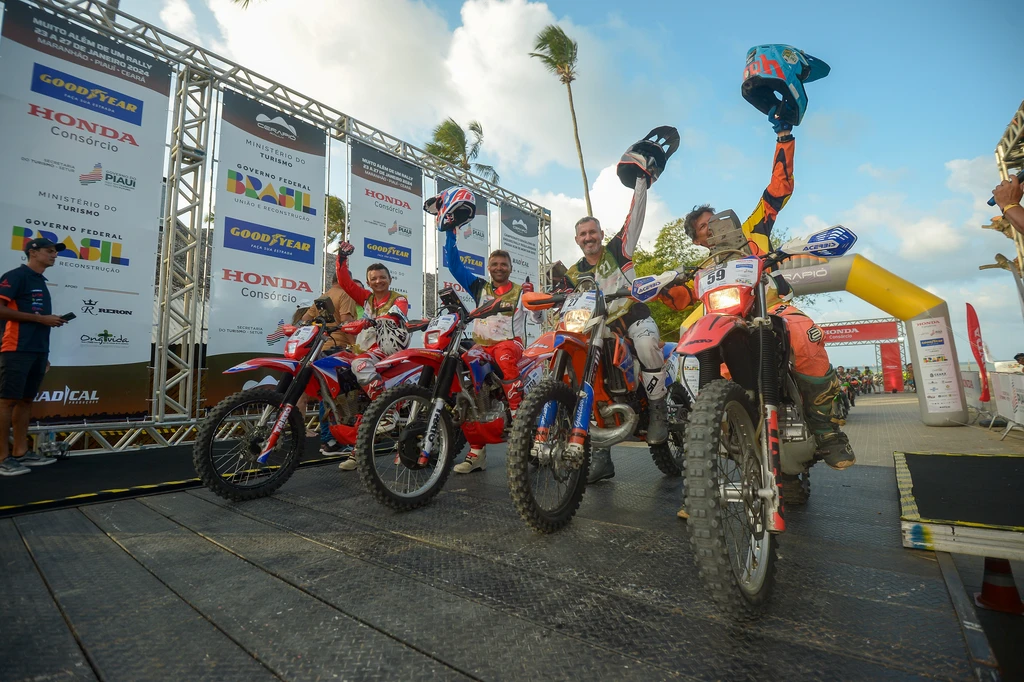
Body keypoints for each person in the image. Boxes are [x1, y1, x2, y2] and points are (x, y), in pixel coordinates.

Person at [665, 109, 856, 478]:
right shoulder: (700, 271)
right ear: (697, 240)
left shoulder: (754, 231)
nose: (712, 229)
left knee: (805, 335)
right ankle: (704, 469)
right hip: (721, 323)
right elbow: (681, 300)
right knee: (686, 361)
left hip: (770, 308)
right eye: (704, 229)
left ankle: (826, 431)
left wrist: (784, 134)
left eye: (714, 221)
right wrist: (655, 290)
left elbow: (777, 191)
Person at [566, 128, 679, 484]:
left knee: (647, 344)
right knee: (586, 377)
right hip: (597, 329)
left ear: (601, 234)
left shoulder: (619, 249)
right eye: (583, 235)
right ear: (577, 240)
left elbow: (636, 213)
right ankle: (601, 455)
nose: (589, 238)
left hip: (632, 316)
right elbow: (566, 301)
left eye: (593, 233)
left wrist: (641, 181)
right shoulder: (573, 272)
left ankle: (658, 408)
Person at [429, 186, 533, 474]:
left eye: (504, 264)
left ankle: (519, 414)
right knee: (466, 390)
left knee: (504, 358)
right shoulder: (479, 287)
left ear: (510, 268)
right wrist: (449, 231)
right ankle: (476, 452)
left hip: (509, 345)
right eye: (495, 264)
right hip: (479, 347)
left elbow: (536, 318)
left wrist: (533, 298)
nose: (499, 267)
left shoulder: (521, 291)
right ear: (488, 267)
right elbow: (453, 264)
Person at [331, 250, 411, 470]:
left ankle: (389, 410)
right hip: (364, 351)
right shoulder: (366, 298)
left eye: (382, 277)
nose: (378, 281)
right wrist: (341, 258)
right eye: (373, 279)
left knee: (360, 366)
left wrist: (374, 321)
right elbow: (346, 283)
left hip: (386, 352)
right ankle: (358, 453)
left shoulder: (399, 299)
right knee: (357, 401)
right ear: (368, 282)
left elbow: (396, 315)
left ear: (390, 279)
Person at [0, 238, 68, 476]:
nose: (54, 255)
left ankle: (21, 452)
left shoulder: (40, 281)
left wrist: (45, 348)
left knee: (26, 401)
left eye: (55, 252)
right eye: (49, 251)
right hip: (15, 348)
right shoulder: (16, 276)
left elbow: (35, 317)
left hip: (37, 350)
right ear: (33, 252)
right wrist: (42, 319)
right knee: (6, 401)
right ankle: (2, 458)